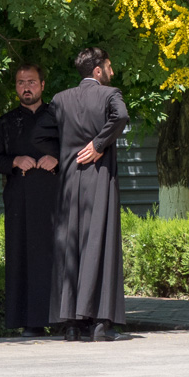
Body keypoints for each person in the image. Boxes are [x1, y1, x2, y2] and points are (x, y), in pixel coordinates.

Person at [49, 45, 129, 342]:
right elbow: (120, 117)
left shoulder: (59, 99)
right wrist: (99, 144)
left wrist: (52, 157)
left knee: (71, 247)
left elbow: (45, 133)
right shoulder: (111, 95)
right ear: (98, 70)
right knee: (101, 245)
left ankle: (71, 325)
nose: (112, 71)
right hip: (100, 180)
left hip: (68, 182)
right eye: (109, 66)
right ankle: (100, 325)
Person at [0, 63, 60, 335]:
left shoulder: (58, 118)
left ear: (42, 85)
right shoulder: (7, 121)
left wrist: (59, 160)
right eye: (20, 82)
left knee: (56, 258)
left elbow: (77, 152)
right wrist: (15, 160)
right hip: (19, 202)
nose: (26, 87)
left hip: (54, 201)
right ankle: (31, 323)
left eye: (31, 82)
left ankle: (64, 320)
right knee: (23, 258)